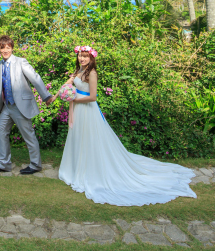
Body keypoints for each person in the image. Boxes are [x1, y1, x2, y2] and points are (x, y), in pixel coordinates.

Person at [58, 45, 197, 206]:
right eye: (80, 56)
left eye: (85, 56)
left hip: (88, 109)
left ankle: (90, 170)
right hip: (78, 110)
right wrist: (57, 96)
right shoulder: (78, 71)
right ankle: (75, 168)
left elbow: (93, 97)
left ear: (91, 58)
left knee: (90, 139)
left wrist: (75, 99)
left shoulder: (92, 73)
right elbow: (66, 86)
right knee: (78, 137)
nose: (82, 58)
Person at [0, 35, 56, 175]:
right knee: (1, 131)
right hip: (7, 106)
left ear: (12, 48)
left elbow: (35, 78)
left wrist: (46, 96)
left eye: (8, 47)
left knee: (28, 135)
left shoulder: (21, 62)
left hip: (20, 106)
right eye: (2, 48)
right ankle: (4, 164)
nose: (5, 50)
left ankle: (35, 165)